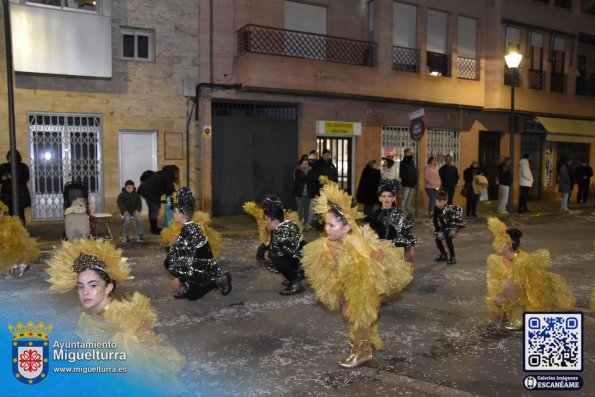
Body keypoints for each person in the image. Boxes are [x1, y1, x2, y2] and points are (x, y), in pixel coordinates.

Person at [46, 238, 186, 388]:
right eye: (80, 287)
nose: (85, 292)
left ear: (108, 288)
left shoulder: (120, 314)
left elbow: (146, 348)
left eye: (93, 285)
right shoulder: (98, 312)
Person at [301, 183, 413, 369]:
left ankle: (362, 353)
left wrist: (352, 293)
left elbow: (370, 266)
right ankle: (360, 345)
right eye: (326, 224)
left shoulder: (356, 245)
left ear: (346, 228)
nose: (326, 229)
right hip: (350, 280)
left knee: (359, 316)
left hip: (363, 282)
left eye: (331, 225)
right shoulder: (335, 240)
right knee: (351, 314)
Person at [485, 217, 576, 330]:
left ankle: (519, 314)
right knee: (497, 296)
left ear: (506, 245)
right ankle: (510, 309)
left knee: (506, 284)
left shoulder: (523, 260)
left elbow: (538, 283)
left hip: (532, 296)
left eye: (496, 241)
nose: (493, 244)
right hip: (517, 293)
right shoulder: (502, 259)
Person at [163, 186, 231, 300]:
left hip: (205, 268)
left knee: (192, 296)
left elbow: (186, 258)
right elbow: (181, 251)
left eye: (176, 211)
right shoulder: (187, 227)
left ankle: (219, 280)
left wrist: (177, 277)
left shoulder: (191, 230)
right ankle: (190, 282)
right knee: (169, 261)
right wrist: (172, 246)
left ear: (183, 214)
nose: (173, 213)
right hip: (195, 263)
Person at [244, 196, 303, 273]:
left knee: (273, 256)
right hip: (281, 242)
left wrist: (272, 251)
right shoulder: (270, 216)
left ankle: (294, 276)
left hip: (292, 251)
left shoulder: (283, 221)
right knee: (262, 252)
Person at [261, 196, 305, 295]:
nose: (265, 222)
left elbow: (291, 253)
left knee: (274, 255)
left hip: (302, 263)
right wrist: (267, 250)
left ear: (275, 221)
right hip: (296, 260)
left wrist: (270, 252)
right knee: (267, 252)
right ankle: (292, 276)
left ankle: (295, 281)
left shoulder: (285, 231)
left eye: (267, 219)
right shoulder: (278, 228)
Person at [369, 179, 416, 261]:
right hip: (379, 248)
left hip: (395, 248)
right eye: (384, 196)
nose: (387, 199)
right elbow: (371, 232)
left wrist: (411, 248)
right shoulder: (375, 214)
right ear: (380, 199)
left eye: (389, 196)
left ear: (393, 198)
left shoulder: (399, 214)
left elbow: (405, 233)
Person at [0, 200, 40, 277]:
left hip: (11, 248)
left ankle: (17, 265)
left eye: (0, 211)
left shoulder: (8, 223)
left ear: (2, 212)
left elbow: (17, 237)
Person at [138, 165, 179, 234]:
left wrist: (170, 195)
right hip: (149, 191)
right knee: (154, 209)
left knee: (153, 209)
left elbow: (165, 187)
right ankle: (154, 229)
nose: (176, 174)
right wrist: (174, 195)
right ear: (173, 171)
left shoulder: (162, 173)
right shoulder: (167, 175)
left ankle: (154, 228)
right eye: (176, 172)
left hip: (145, 189)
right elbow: (169, 188)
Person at [433, 190, 465, 265]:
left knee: (448, 240)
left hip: (451, 227)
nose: (437, 204)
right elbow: (435, 220)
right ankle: (444, 254)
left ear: (445, 201)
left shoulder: (449, 209)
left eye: (439, 202)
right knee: (438, 240)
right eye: (436, 201)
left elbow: (454, 221)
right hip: (443, 227)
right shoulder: (436, 208)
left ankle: (452, 257)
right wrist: (438, 230)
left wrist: (452, 229)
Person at [0, 149, 31, 224]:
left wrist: (13, 176)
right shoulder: (3, 166)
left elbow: (25, 177)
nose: (11, 158)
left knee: (19, 214)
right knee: (7, 215)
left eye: (13, 156)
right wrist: (3, 178)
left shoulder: (22, 166)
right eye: (10, 156)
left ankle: (21, 230)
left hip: (20, 195)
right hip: (7, 195)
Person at [293, 157, 316, 226]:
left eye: (306, 164)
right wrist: (308, 177)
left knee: (306, 209)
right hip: (299, 194)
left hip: (308, 194)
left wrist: (307, 177)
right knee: (300, 209)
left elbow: (314, 177)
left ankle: (305, 223)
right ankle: (299, 223)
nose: (305, 165)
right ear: (300, 165)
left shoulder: (311, 172)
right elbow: (302, 177)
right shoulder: (297, 171)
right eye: (303, 164)